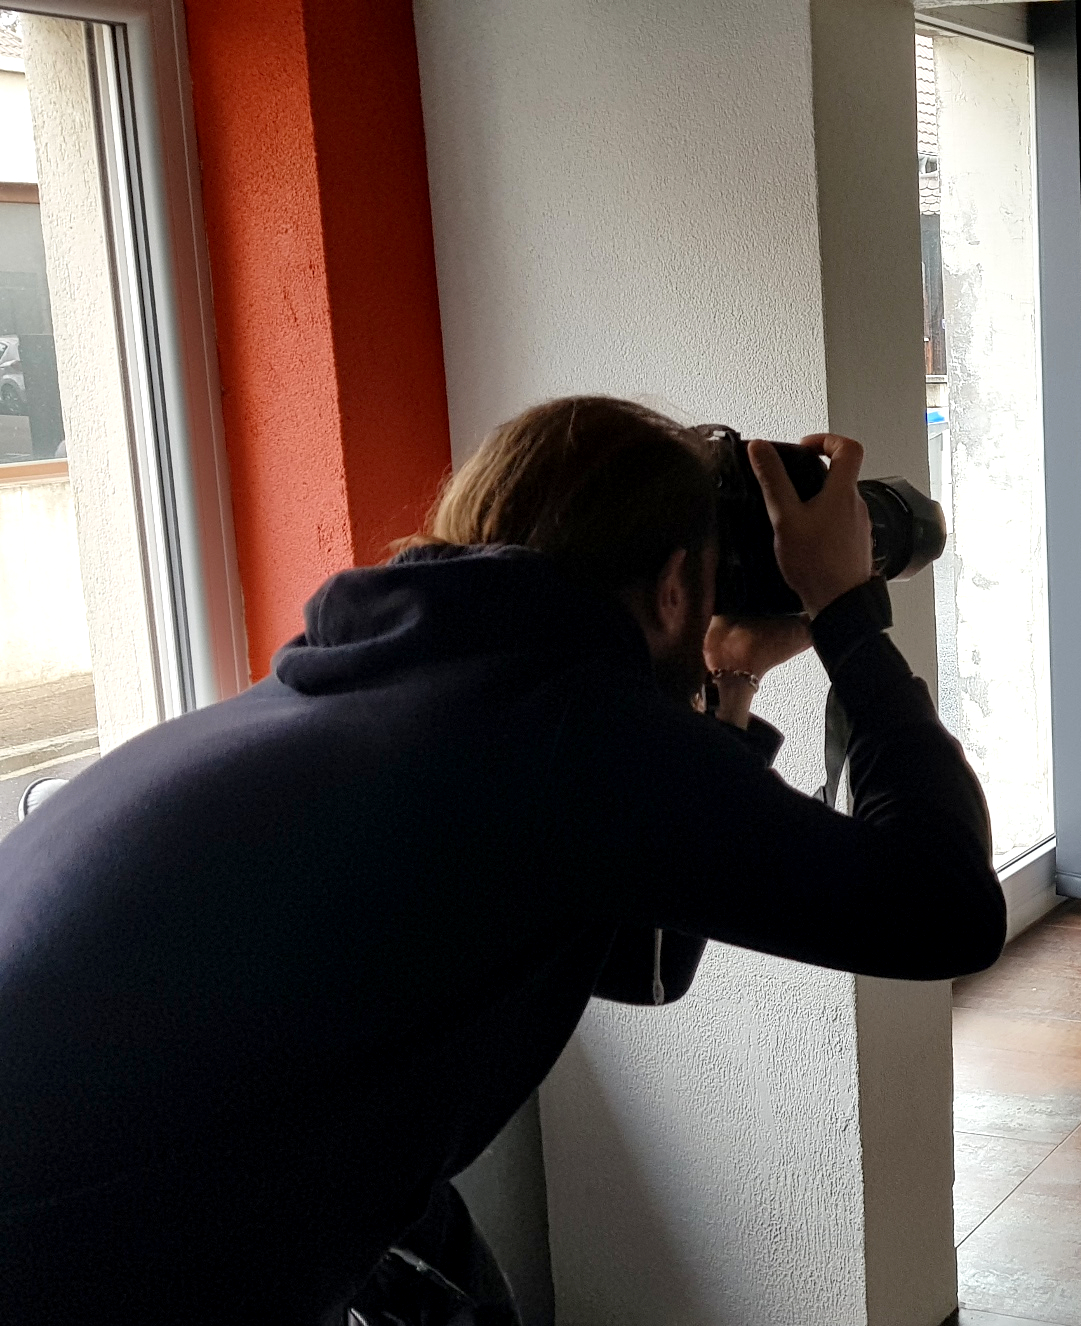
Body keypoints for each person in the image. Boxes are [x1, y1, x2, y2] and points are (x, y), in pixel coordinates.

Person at [0, 396, 1005, 1322]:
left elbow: (639, 959)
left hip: (114, 1181)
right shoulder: (564, 729)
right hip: (105, 1257)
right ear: (669, 589)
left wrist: (725, 678)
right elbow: (944, 908)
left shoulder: (406, 676)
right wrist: (844, 614)